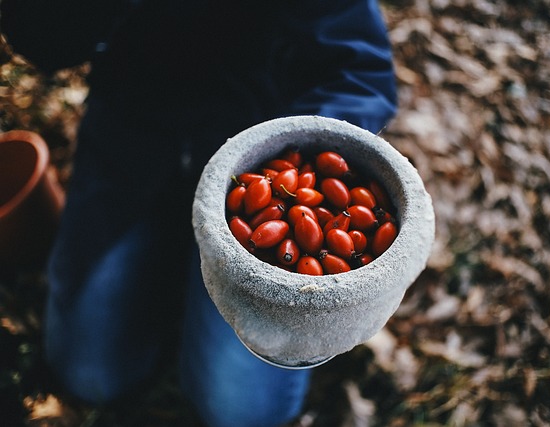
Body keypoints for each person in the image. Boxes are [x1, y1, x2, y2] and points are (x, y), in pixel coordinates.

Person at [0, 1, 397, 425]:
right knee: (90, 374)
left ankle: (199, 279)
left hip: (258, 154)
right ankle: (168, 261)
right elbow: (43, 41)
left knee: (243, 412)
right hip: (133, 143)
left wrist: (296, 159)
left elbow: (360, 68)